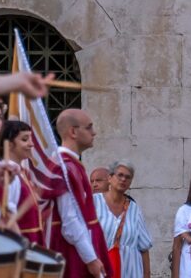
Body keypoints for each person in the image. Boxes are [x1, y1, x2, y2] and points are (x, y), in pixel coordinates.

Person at [51, 108, 113, 278]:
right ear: (73, 131)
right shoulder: (64, 167)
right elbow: (70, 220)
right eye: (89, 127)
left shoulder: (72, 165)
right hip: (73, 253)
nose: (94, 132)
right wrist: (90, 258)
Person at [94, 161, 153, 278]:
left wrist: (147, 275)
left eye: (128, 177)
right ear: (110, 178)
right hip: (100, 271)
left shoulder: (134, 209)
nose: (123, 179)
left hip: (131, 272)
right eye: (120, 175)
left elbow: (144, 247)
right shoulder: (93, 202)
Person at [0, 119, 45, 245]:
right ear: (9, 144)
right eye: (24, 139)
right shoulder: (9, 173)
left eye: (30, 139)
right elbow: (7, 213)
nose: (31, 144)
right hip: (19, 241)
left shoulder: (22, 172)